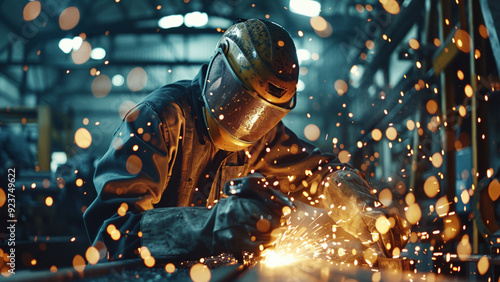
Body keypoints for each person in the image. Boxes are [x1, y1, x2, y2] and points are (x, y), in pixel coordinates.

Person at [83, 18, 409, 262]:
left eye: (261, 113)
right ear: (218, 71)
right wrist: (215, 226)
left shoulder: (263, 138)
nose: (246, 121)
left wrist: (364, 209)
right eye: (240, 102)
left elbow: (322, 175)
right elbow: (113, 234)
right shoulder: (159, 119)